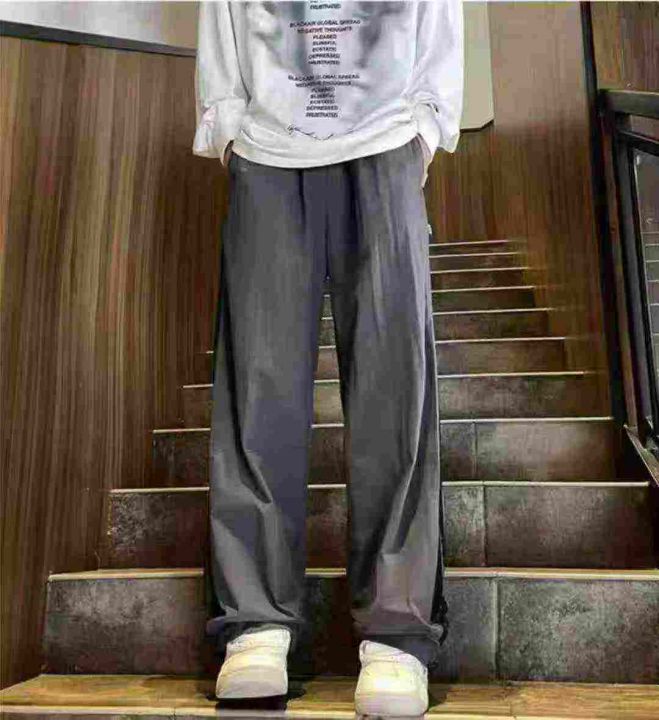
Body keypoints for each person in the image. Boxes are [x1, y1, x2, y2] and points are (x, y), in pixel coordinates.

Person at [192, 1, 464, 715]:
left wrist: (427, 123)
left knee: (394, 389)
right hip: (267, 150)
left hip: (385, 139)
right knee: (257, 387)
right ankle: (255, 624)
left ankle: (397, 632)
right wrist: (228, 128)